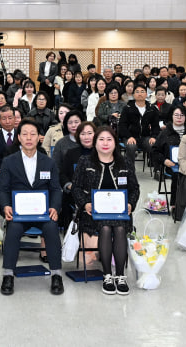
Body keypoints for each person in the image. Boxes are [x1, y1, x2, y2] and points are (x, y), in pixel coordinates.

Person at [0, 120, 65, 296]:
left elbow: (56, 189)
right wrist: (6, 206)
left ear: (39, 138)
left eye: (32, 134)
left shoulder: (48, 162)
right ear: (18, 137)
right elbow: (2, 189)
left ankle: (56, 274)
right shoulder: (9, 161)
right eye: (24, 134)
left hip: (42, 213)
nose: (28, 138)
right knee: (13, 230)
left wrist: (54, 208)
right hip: (19, 214)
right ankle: (8, 275)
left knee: (51, 228)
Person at [72, 126, 139, 295]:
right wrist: (85, 204)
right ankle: (108, 275)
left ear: (115, 143)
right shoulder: (85, 162)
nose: (105, 143)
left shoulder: (125, 163)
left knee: (120, 228)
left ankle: (121, 276)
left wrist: (130, 204)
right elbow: (76, 188)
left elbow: (134, 189)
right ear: (95, 143)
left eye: (109, 139)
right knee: (106, 227)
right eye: (101, 139)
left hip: (120, 213)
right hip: (92, 214)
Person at [118, 84, 160, 168]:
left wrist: (154, 136)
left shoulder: (152, 109)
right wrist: (129, 136)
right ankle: (130, 169)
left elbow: (155, 126)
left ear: (146, 94)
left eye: (142, 91)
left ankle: (157, 170)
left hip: (145, 137)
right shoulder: (127, 108)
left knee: (154, 145)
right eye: (137, 92)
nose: (140, 94)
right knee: (131, 146)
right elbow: (122, 125)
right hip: (130, 137)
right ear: (133, 95)